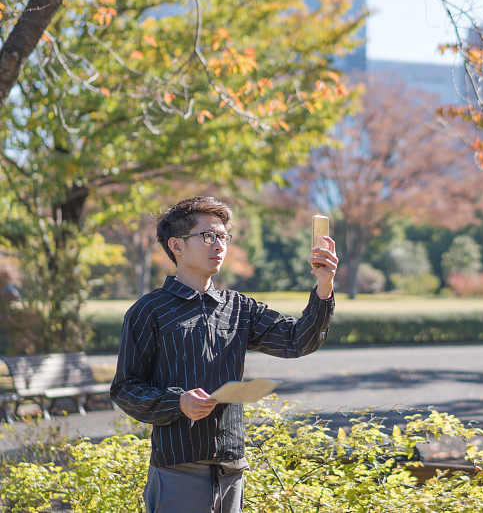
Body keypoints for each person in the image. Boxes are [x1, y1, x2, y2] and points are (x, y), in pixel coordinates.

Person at [110, 196, 337, 513]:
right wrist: (178, 402)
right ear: (176, 246)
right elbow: (125, 388)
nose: (219, 245)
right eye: (207, 236)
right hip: (178, 470)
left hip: (232, 467)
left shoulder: (240, 307)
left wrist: (324, 286)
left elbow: (297, 341)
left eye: (223, 237)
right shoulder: (148, 311)